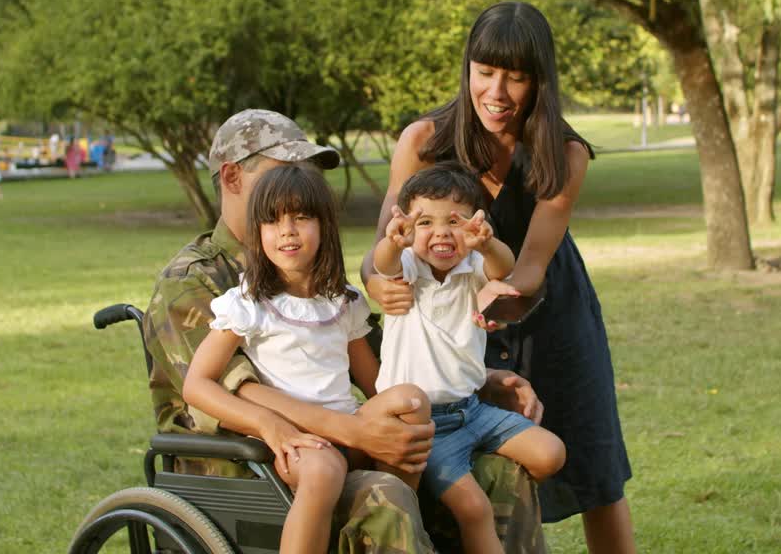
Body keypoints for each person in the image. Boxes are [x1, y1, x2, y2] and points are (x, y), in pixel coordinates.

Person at [144, 109, 545, 553]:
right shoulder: (195, 281)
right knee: (385, 493)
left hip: (336, 440)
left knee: (499, 470)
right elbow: (237, 390)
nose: (300, 186)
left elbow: (380, 369)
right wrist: (353, 432)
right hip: (244, 460)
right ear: (233, 177)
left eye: (307, 178)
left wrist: (472, 383)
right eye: (285, 171)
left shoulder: (319, 276)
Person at [362, 2, 636, 553]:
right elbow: (380, 250)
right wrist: (377, 282)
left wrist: (497, 287)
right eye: (486, 72)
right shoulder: (422, 140)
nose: (498, 92)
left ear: (540, 81)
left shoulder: (565, 152)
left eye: (517, 77)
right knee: (468, 474)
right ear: (468, 69)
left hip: (546, 316)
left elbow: (531, 267)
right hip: (445, 324)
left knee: (594, 471)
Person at [186, 164, 435, 553]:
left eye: (300, 217)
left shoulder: (343, 300)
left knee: (410, 400)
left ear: (324, 227)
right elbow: (196, 384)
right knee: (323, 469)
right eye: (272, 221)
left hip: (346, 428)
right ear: (258, 233)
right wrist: (267, 422)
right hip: (297, 441)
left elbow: (375, 384)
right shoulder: (250, 303)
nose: (286, 230)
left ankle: (396, 511)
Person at [373, 163, 565, 554]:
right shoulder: (407, 270)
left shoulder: (473, 269)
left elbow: (505, 267)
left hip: (473, 411)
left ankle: (460, 463)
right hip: (427, 425)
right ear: (408, 229)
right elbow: (382, 263)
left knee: (550, 454)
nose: (441, 232)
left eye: (455, 221)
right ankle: (444, 474)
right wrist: (393, 242)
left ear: (475, 225)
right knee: (475, 510)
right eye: (425, 221)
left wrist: (486, 244)